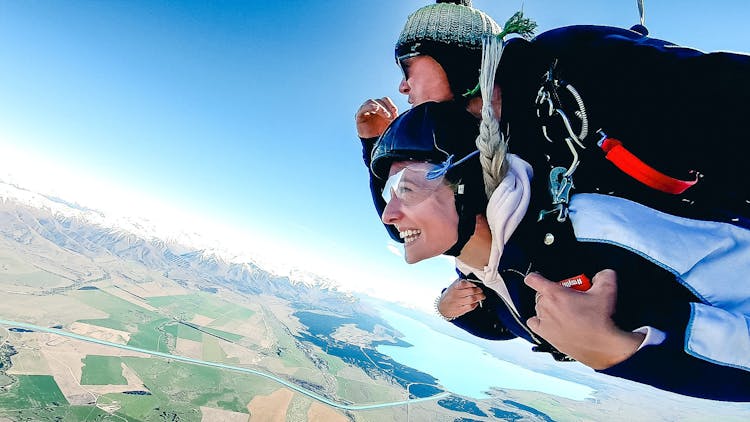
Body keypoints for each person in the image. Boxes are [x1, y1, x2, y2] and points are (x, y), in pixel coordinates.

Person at [365, 100, 750, 402]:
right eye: (387, 194)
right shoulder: (486, 265)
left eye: (406, 189)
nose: (389, 213)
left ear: (468, 188)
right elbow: (511, 323)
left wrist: (617, 351)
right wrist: (449, 310)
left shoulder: (594, 230)